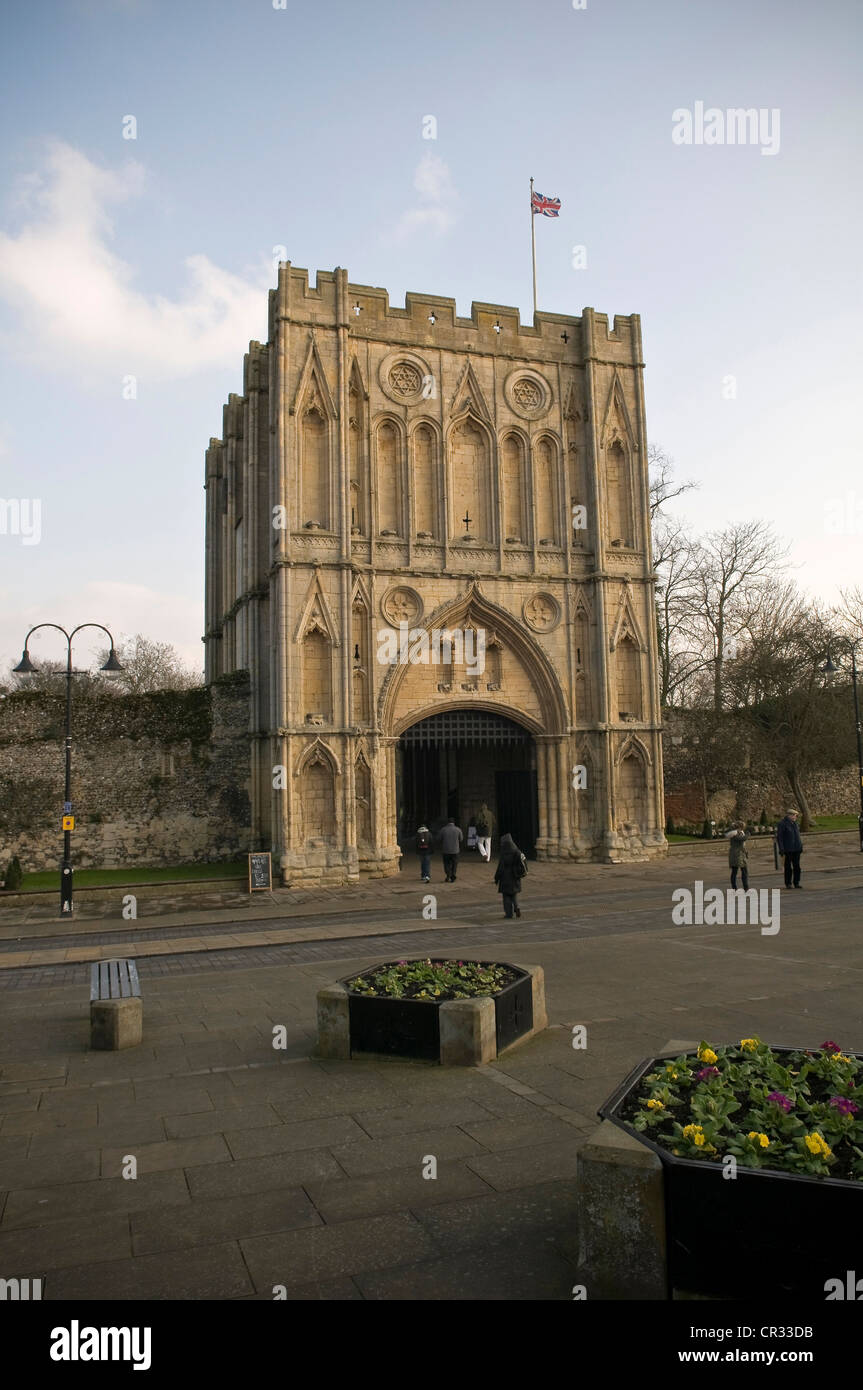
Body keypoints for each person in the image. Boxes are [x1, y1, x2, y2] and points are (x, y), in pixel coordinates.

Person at [494, 832, 527, 919]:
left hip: (505, 878)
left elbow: (500, 868)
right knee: (514, 894)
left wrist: (496, 878)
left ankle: (509, 914)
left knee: (506, 897)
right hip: (514, 877)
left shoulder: (504, 854)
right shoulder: (517, 852)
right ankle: (517, 907)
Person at [776, 808, 803, 888]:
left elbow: (798, 836)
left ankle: (796, 882)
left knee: (797, 867)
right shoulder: (782, 824)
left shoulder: (795, 823)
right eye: (794, 815)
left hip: (796, 848)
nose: (795, 817)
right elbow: (780, 837)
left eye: (796, 816)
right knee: (788, 867)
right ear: (789, 815)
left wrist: (800, 846)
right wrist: (781, 848)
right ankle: (788, 883)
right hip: (788, 849)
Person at [725, 821, 750, 891]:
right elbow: (741, 839)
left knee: (736, 871)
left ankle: (735, 888)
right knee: (743, 871)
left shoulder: (737, 833)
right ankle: (745, 887)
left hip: (737, 854)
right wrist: (748, 834)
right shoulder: (736, 834)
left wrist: (746, 852)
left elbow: (742, 843)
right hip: (737, 854)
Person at [438, 818, 463, 882]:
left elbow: (439, 839)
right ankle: (453, 874)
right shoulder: (458, 829)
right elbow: (461, 839)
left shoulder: (443, 829)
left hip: (446, 850)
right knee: (454, 863)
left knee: (446, 863)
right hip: (455, 850)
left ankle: (448, 874)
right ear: (454, 823)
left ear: (447, 822)